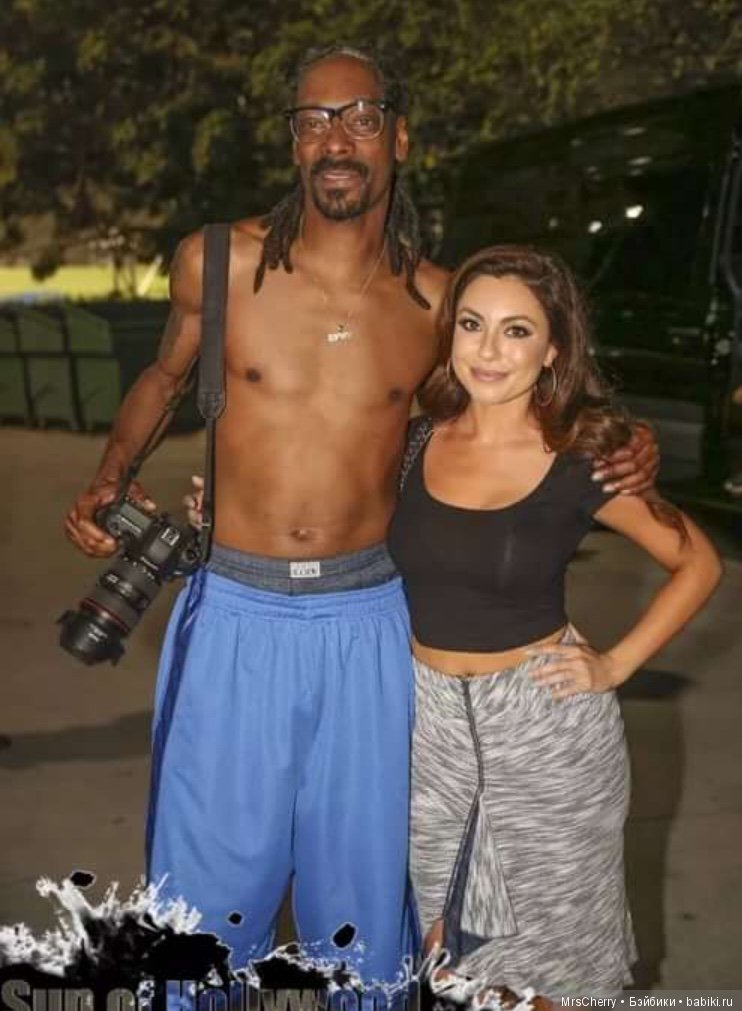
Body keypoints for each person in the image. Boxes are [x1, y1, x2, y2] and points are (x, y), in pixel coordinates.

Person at [64, 46, 658, 981]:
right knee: (203, 906)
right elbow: (164, 375)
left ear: (399, 137)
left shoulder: (437, 302)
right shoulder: (219, 261)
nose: (336, 139)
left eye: (360, 117)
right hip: (236, 610)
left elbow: (516, 402)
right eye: (314, 120)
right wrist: (110, 473)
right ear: (293, 143)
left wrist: (624, 441)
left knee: (366, 905)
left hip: (372, 621)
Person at [384, 245, 722, 998]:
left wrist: (616, 663)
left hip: (546, 733)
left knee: (556, 968)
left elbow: (698, 562)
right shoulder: (410, 445)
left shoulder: (578, 458)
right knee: (451, 958)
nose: (488, 350)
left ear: (553, 351)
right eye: (472, 324)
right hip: (428, 732)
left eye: (516, 331)